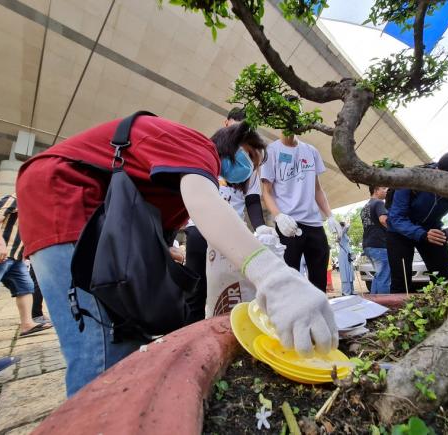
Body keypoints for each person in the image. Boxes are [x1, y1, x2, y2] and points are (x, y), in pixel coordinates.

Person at [17, 114, 338, 396]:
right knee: (103, 352)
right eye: (250, 155)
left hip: (76, 205)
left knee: (124, 337)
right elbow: (205, 203)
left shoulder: (176, 177)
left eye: (255, 165)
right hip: (64, 195)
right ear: (230, 140)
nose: (249, 167)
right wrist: (275, 277)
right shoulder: (197, 146)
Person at [184, 108, 270, 323]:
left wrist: (260, 228)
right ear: (226, 125)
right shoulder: (208, 155)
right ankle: (192, 332)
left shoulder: (249, 167)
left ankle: (230, 327)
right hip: (200, 229)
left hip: (230, 232)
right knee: (196, 288)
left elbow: (252, 201)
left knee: (230, 286)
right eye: (236, 124)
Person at [261, 131, 342, 292]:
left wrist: (330, 215)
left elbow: (317, 189)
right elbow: (266, 192)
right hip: (289, 225)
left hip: (314, 223)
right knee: (289, 279)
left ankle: (318, 313)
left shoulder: (311, 151)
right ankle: (292, 314)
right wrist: (279, 216)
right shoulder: (271, 151)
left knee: (319, 278)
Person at [386, 151, 448, 293]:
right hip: (399, 232)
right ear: (438, 170)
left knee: (443, 275)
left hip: (432, 228)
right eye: (441, 177)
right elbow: (396, 218)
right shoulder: (411, 178)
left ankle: (444, 306)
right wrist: (423, 235)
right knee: (401, 281)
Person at [0, 195, 52, 336]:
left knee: (25, 288)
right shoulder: (13, 198)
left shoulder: (32, 205)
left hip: (15, 257)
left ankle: (27, 324)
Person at [361, 186, 391, 294]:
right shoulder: (379, 203)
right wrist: (395, 230)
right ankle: (386, 306)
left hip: (368, 245)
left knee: (379, 275)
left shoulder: (365, 207)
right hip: (378, 244)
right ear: (376, 190)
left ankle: (374, 303)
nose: (387, 190)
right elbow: (383, 220)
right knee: (384, 276)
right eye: (383, 188)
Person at [337, 222, 355, 295]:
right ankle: (346, 291)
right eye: (342, 226)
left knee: (350, 272)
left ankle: (351, 290)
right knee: (345, 273)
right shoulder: (340, 234)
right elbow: (346, 228)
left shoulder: (344, 234)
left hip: (348, 254)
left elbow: (346, 228)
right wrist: (347, 223)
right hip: (343, 255)